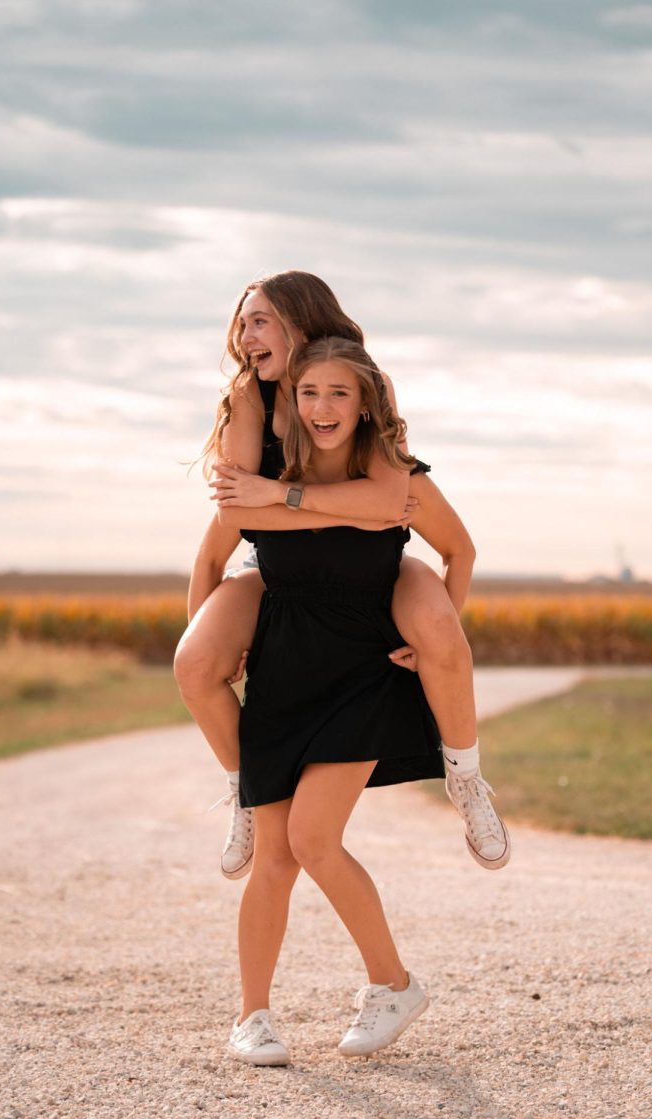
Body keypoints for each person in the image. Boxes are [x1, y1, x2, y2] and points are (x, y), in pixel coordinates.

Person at [174, 271, 509, 881]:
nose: (245, 335)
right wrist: (326, 510)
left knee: (439, 627)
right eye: (242, 322)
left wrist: (278, 499)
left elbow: (388, 507)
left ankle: (465, 777)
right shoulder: (251, 395)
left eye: (260, 320)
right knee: (194, 664)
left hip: (376, 563)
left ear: (302, 320)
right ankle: (244, 787)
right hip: (280, 571)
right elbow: (232, 514)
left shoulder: (363, 382)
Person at [216, 337, 489, 1063]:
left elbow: (459, 548)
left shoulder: (394, 482)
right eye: (309, 393)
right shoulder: (263, 478)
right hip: (281, 678)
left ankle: (392, 984)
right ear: (291, 403)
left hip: (362, 679)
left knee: (311, 839)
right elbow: (211, 554)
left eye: (340, 393)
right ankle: (252, 1017)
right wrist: (215, 638)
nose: (323, 407)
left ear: (366, 401)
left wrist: (433, 640)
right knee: (274, 855)